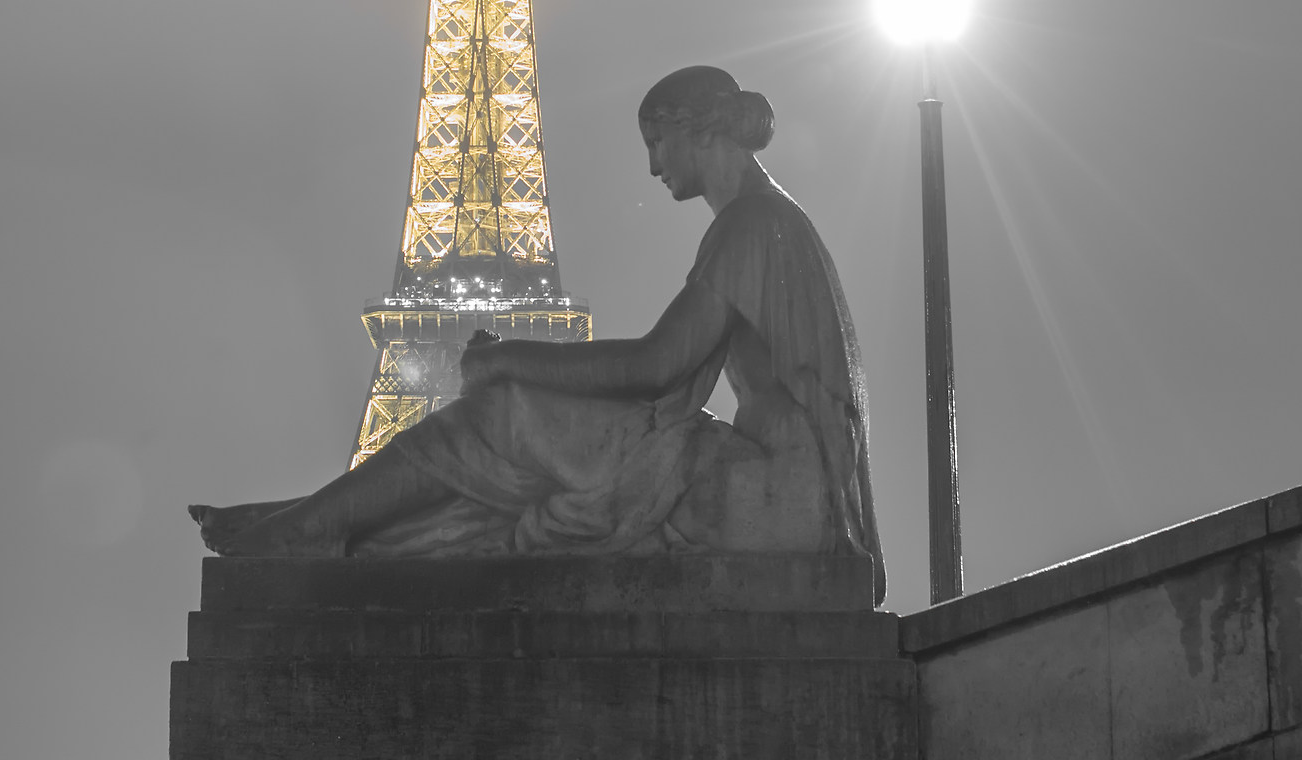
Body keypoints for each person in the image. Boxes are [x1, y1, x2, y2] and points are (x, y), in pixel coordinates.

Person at [189, 66, 884, 601]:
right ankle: (329, 527)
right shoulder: (764, 219)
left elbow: (656, 366)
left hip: (774, 501)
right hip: (765, 486)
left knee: (506, 414)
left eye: (657, 141)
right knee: (520, 459)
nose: (652, 165)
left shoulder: (753, 224)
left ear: (700, 131)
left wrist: (512, 361)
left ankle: (319, 528)